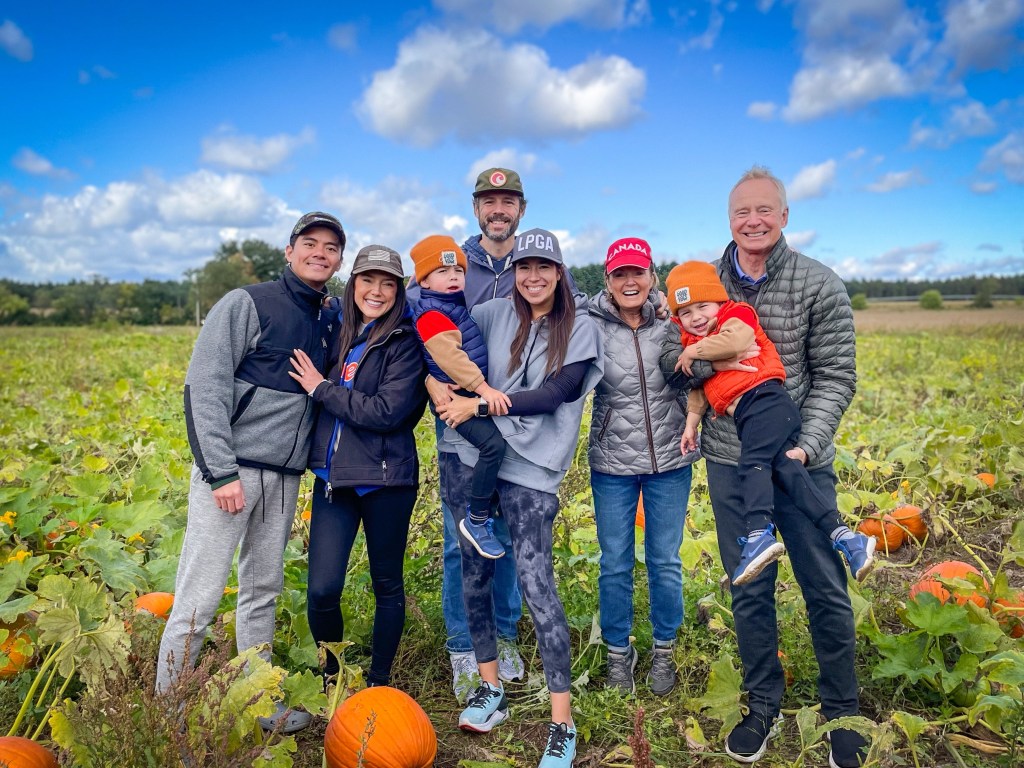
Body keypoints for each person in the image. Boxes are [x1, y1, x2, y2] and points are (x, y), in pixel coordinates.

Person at [660, 166, 864, 767]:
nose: (753, 221)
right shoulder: (702, 281)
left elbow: (835, 375)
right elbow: (673, 352)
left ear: (783, 215)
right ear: (729, 219)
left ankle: (842, 711)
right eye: (741, 212)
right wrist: (704, 357)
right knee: (749, 585)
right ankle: (762, 703)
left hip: (799, 459)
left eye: (764, 210)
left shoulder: (819, 284)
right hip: (728, 459)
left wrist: (808, 441)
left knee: (823, 585)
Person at [157, 211, 345, 733]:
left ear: (338, 260)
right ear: (289, 251)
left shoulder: (330, 317)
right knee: (197, 599)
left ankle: (257, 702)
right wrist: (220, 472)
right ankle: (167, 715)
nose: (320, 253)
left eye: (331, 248)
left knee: (262, 593)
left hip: (284, 480)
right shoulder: (247, 303)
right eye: (310, 243)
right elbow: (206, 386)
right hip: (231, 474)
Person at [435, 228, 603, 768]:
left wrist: (480, 407)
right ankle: (490, 689)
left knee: (536, 583)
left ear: (559, 273)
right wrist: (436, 388)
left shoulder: (580, 329)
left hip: (532, 469)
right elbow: (432, 340)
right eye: (525, 267)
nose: (533, 277)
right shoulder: (488, 313)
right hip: (472, 458)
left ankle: (562, 722)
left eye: (544, 268)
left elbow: (558, 394)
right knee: (473, 570)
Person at [665, 260, 875, 587]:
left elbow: (736, 342)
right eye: (686, 313)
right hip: (753, 418)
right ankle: (847, 537)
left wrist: (695, 354)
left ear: (719, 302)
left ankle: (758, 534)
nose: (696, 318)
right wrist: (692, 423)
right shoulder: (693, 340)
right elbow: (700, 390)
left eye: (702, 306)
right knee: (789, 474)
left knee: (753, 463)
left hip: (768, 403)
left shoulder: (736, 315)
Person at [406, 167, 532, 699]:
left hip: (517, 423)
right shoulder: (451, 261)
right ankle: (463, 646)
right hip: (461, 423)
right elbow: (413, 327)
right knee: (463, 541)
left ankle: (502, 638)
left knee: (504, 536)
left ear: (520, 208)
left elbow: (573, 312)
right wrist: (433, 387)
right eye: (489, 200)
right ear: (476, 208)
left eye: (507, 200)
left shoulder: (538, 262)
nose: (498, 209)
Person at [288, 245, 427, 688]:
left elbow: (388, 411)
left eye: (388, 283)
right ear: (353, 284)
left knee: (387, 583)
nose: (377, 291)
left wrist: (321, 389)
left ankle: (379, 682)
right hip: (334, 481)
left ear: (399, 291)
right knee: (322, 589)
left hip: (387, 480)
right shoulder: (338, 330)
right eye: (368, 280)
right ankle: (331, 673)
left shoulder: (406, 341)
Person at [587, 237, 697, 697]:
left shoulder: (674, 321)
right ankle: (618, 653)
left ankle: (664, 650)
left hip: (671, 458)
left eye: (637, 272)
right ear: (608, 281)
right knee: (614, 562)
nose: (629, 281)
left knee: (665, 561)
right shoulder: (587, 324)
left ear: (652, 276)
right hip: (612, 462)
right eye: (619, 274)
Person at [408, 234, 512, 559]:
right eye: (443, 272)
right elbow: (453, 360)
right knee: (493, 446)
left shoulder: (451, 307)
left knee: (497, 446)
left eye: (458, 273)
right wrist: (485, 390)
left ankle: (483, 510)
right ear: (423, 279)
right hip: (456, 399)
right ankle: (477, 518)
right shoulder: (433, 315)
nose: (453, 277)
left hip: (465, 394)